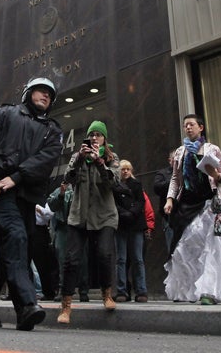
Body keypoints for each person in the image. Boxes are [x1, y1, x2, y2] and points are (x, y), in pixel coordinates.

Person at [0, 77, 63, 332]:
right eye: (42, 91)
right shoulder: (4, 114)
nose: (46, 97)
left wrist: (16, 177)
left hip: (28, 197)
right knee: (16, 237)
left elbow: (46, 159)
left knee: (16, 249)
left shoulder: (53, 129)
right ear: (29, 92)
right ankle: (27, 306)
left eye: (50, 95)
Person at [163, 114, 221, 305]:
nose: (188, 128)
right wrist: (170, 199)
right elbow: (176, 179)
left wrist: (216, 174)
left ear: (200, 127)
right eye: (185, 125)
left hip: (209, 203)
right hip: (187, 204)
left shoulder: (212, 149)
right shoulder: (180, 152)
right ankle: (185, 291)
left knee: (211, 248)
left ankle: (208, 291)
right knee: (183, 248)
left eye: (191, 125)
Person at [57, 120, 120, 324]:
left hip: (105, 216)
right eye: (91, 134)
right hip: (79, 216)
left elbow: (113, 183)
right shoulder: (78, 157)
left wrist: (100, 163)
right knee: (71, 260)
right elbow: (68, 179)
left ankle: (107, 294)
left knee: (103, 254)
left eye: (98, 135)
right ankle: (66, 306)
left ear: (104, 139)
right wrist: (78, 161)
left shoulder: (111, 158)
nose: (94, 138)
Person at [48, 182, 90, 302]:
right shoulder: (61, 189)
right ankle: (63, 290)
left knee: (82, 260)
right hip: (63, 228)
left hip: (80, 227)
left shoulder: (85, 188)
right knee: (62, 260)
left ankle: (83, 290)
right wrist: (61, 194)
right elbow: (52, 205)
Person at [113, 160, 148, 303]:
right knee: (121, 259)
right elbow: (113, 203)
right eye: (123, 169)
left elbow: (141, 202)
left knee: (138, 259)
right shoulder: (114, 187)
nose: (125, 172)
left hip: (135, 224)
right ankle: (122, 290)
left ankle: (141, 290)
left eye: (128, 169)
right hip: (121, 224)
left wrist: (132, 212)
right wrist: (123, 213)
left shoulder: (137, 185)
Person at [32, 202, 59, 301]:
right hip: (27, 228)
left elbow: (48, 215)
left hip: (40, 231)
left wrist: (37, 208)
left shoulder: (44, 199)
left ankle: (48, 291)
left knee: (42, 263)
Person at [154, 150, 176, 254]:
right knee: (173, 249)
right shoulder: (162, 173)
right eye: (175, 159)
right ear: (170, 161)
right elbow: (157, 188)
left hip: (186, 214)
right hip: (169, 217)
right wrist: (174, 180)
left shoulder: (186, 172)